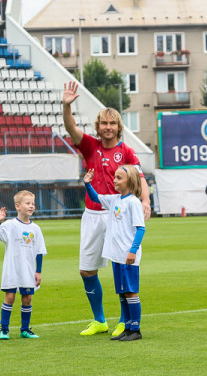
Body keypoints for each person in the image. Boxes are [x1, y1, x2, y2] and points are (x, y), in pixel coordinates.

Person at [61, 81, 150, 338]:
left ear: (118, 127)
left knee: (120, 268)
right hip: (92, 214)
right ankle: (99, 320)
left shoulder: (127, 152)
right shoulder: (90, 146)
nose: (108, 127)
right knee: (86, 269)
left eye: (112, 123)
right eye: (103, 123)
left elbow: (141, 177)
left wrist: (145, 201)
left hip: (117, 215)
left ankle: (124, 321)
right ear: (98, 127)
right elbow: (71, 128)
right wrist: (66, 106)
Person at [83, 165, 145, 342]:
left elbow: (140, 229)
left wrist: (132, 251)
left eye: (119, 178)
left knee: (131, 292)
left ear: (130, 181)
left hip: (127, 256)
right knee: (123, 292)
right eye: (115, 177)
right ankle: (127, 327)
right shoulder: (115, 199)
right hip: (117, 255)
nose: (114, 180)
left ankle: (136, 329)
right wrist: (87, 183)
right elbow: (96, 198)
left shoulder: (133, 202)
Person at [0, 190, 46, 340]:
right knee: (10, 297)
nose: (31, 206)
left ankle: (25, 330)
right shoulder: (9, 225)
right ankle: (4, 330)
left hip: (28, 270)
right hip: (12, 269)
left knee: (27, 298)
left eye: (33, 203)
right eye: (27, 203)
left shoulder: (36, 229)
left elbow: (40, 251)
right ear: (18, 206)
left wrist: (38, 271)